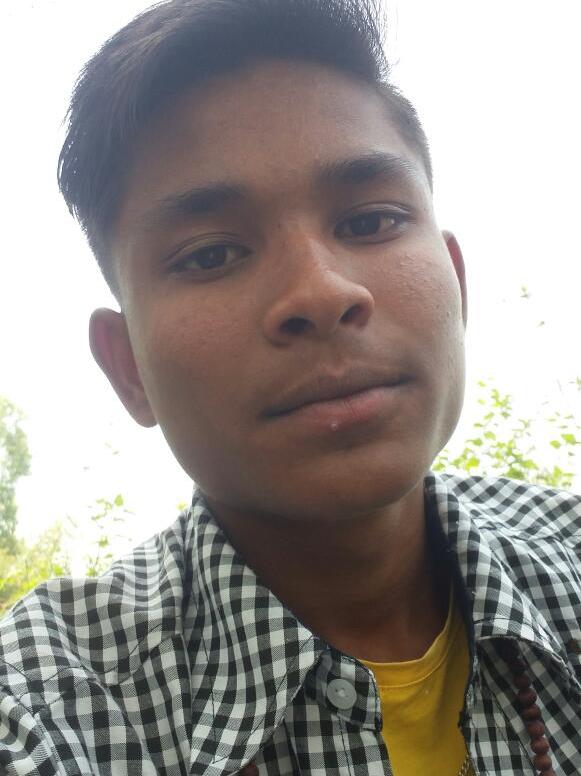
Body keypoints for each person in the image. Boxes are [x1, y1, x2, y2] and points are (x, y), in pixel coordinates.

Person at [1, 0, 579, 773]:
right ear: (127, 366)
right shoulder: (44, 715)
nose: (319, 292)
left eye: (370, 221)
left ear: (457, 283)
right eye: (211, 255)